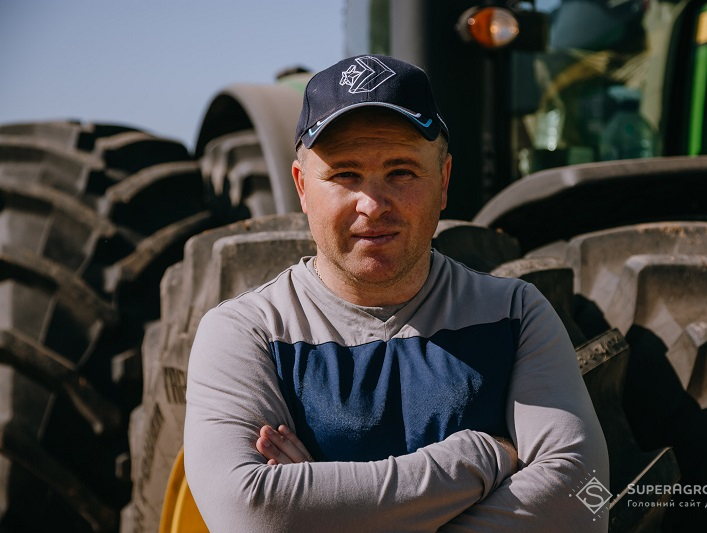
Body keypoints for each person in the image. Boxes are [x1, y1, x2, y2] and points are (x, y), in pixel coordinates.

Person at [184, 54, 609, 532]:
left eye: (402, 171)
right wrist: (482, 456)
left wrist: (320, 508)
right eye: (345, 174)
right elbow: (252, 513)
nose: (373, 204)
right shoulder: (248, 333)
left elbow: (581, 503)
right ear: (302, 187)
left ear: (443, 182)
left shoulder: (515, 314)